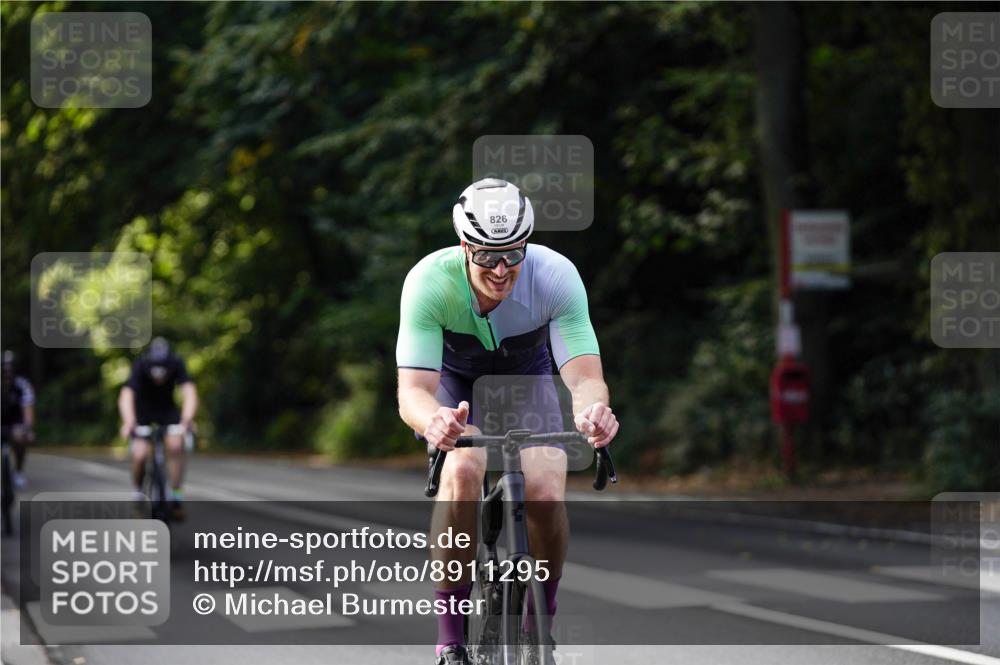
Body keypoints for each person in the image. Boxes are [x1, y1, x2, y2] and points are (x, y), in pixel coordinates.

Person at [396, 178, 619, 665]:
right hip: (456, 391)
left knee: (544, 489)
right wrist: (434, 421)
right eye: (486, 257)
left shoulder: (555, 275)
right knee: (462, 470)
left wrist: (593, 413)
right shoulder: (429, 281)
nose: (501, 269)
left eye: (512, 254)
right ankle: (451, 638)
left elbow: (584, 379)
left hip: (527, 380)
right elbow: (412, 389)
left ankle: (541, 622)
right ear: (464, 247)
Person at [118, 337, 198, 520]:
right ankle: (138, 495)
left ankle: (176, 498)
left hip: (167, 412)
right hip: (142, 414)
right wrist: (129, 421)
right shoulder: (140, 364)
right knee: (139, 455)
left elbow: (189, 392)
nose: (159, 373)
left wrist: (187, 419)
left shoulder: (176, 362)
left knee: (176, 447)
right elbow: (127, 395)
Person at [1, 350, 36, 489]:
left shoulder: (22, 385)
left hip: (16, 423)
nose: (7, 375)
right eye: (4, 370)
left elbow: (28, 411)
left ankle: (19, 472)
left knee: (22, 438)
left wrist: (28, 429)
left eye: (10, 370)